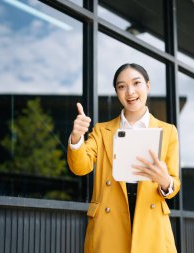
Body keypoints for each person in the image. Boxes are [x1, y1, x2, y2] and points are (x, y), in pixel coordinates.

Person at [67, 63, 180, 252]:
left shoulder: (168, 131)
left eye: (136, 83)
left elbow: (174, 184)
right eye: (122, 86)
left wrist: (165, 182)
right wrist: (77, 138)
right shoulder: (102, 131)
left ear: (148, 86)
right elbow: (80, 167)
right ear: (117, 92)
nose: (130, 92)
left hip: (150, 221)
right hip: (109, 220)